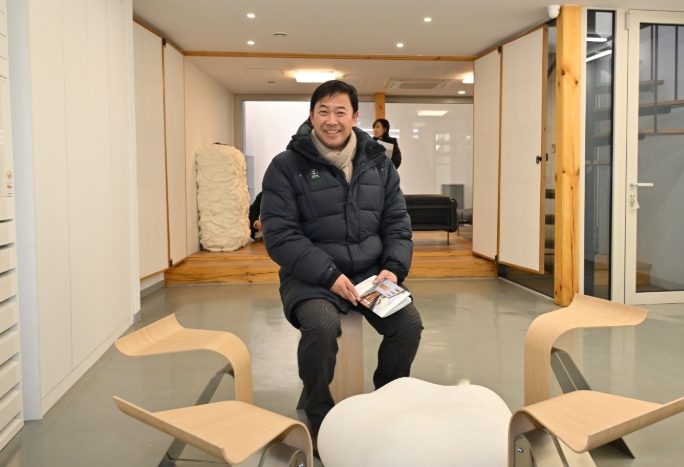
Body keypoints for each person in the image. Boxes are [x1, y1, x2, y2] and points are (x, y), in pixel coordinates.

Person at [260, 80, 423, 449]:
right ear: (311, 115)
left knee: (408, 324)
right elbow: (281, 235)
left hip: (370, 274)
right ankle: (319, 415)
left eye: (340, 112)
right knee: (321, 327)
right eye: (323, 111)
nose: (331, 120)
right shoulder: (286, 166)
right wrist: (329, 275)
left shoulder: (379, 162)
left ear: (355, 116)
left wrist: (394, 268)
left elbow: (397, 223)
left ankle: (387, 403)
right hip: (311, 276)